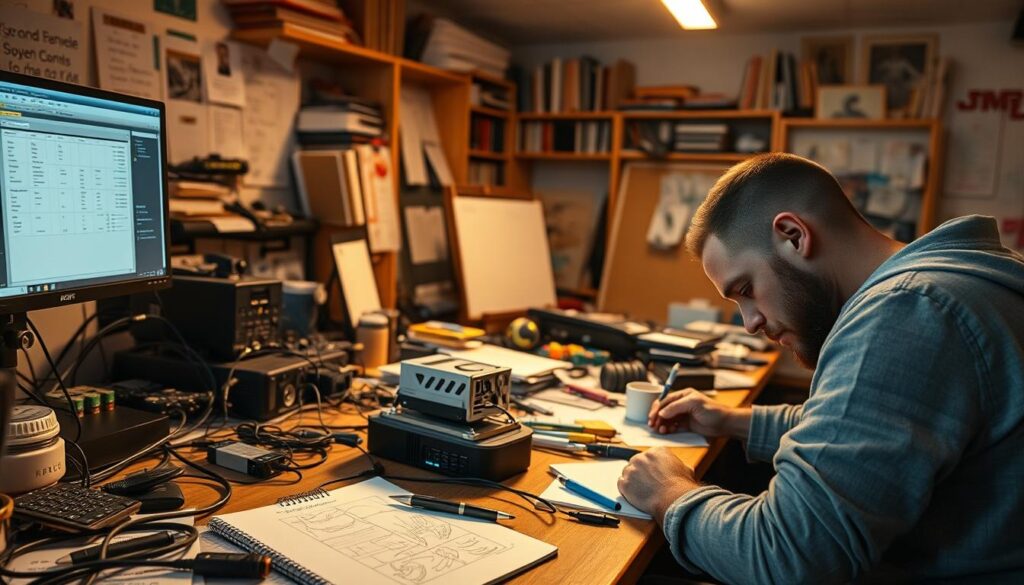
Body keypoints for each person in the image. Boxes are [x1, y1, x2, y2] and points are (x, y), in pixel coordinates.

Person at [618, 153, 1024, 583]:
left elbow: (786, 557)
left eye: (746, 289)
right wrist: (732, 420)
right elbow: (863, 425)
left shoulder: (906, 312)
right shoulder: (964, 276)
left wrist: (670, 492)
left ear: (793, 236)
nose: (750, 322)